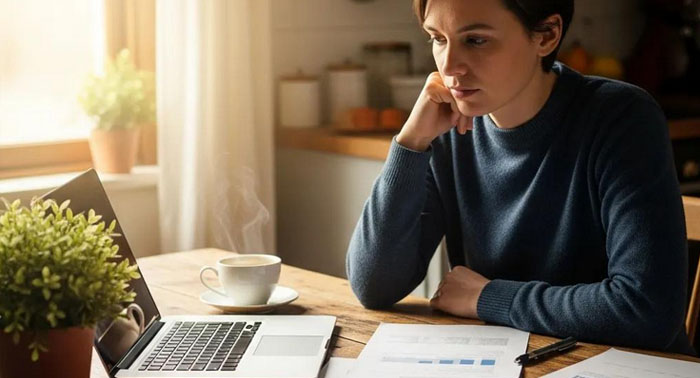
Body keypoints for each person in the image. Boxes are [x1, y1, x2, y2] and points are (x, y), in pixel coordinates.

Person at [346, 0, 696, 356]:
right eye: (438, 39)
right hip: (514, 362)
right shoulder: (449, 127)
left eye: (476, 40)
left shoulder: (622, 119)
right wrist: (411, 143)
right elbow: (374, 285)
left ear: (546, 35)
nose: (449, 67)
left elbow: (646, 311)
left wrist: (488, 298)